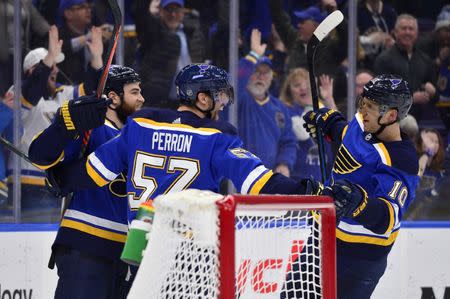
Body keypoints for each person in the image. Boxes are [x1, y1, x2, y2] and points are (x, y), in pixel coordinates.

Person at [28, 65, 144, 299]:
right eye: (135, 92)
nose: (142, 98)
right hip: (87, 247)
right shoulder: (93, 129)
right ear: (113, 98)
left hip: (128, 256)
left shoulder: (139, 140)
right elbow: (39, 156)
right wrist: (66, 124)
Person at [301, 74, 419, 298]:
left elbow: (388, 217)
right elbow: (346, 135)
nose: (363, 110)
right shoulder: (363, 124)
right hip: (321, 240)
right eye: (362, 103)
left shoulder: (401, 159)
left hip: (359, 259)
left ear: (391, 115)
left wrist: (360, 205)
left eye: (370, 107)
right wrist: (329, 123)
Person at [5, 25, 102, 222]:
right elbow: (32, 90)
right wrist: (48, 59)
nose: (55, 69)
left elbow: (92, 94)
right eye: (50, 64)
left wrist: (97, 58)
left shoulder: (62, 95)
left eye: (55, 64)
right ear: (33, 69)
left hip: (53, 181)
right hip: (26, 182)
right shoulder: (17, 92)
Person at [238, 29, 297, 177]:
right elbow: (233, 84)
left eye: (265, 73)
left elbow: (288, 142)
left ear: (271, 78)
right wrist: (253, 56)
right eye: (256, 71)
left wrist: (284, 164)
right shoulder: (239, 100)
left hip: (268, 180)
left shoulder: (280, 108)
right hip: (238, 177)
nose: (260, 77)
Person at [133, 0, 206, 109]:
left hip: (189, 101)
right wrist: (149, 11)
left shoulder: (194, 32)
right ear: (160, 11)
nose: (172, 14)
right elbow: (141, 20)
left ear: (183, 12)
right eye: (168, 10)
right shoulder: (153, 32)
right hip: (159, 102)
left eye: (176, 10)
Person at [374, 14, 439, 124]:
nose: (407, 32)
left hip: (420, 120)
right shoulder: (384, 60)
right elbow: (380, 96)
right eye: (404, 28)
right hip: (392, 120)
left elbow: (435, 97)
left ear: (417, 33)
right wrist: (411, 99)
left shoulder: (426, 61)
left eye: (411, 29)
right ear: (395, 32)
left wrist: (433, 93)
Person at [279, 67, 336, 180]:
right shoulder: (286, 111)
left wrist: (329, 100)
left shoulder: (323, 109)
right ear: (289, 91)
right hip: (297, 179)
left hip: (323, 179)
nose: (303, 88)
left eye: (307, 84)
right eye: (297, 85)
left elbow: (339, 131)